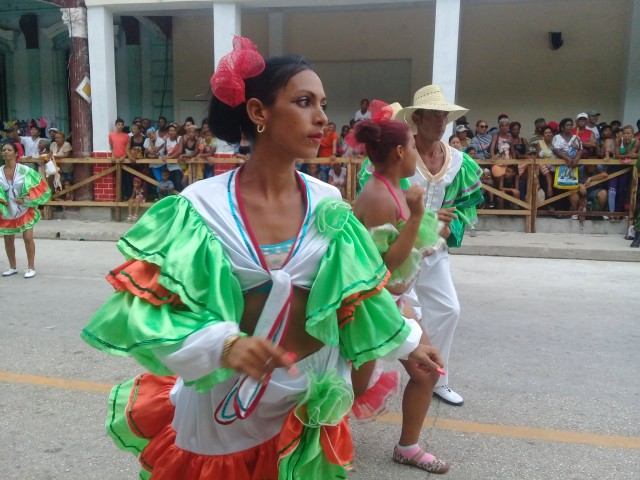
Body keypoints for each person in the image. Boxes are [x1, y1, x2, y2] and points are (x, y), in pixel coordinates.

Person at [81, 36, 443, 480]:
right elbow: (151, 318)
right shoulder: (199, 208)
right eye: (304, 102)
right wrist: (226, 345)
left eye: (323, 104)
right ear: (258, 112)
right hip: (223, 405)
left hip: (305, 394)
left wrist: (409, 341)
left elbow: (359, 294)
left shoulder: (328, 202)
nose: (322, 117)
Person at [351, 104, 449, 474]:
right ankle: (320, 443)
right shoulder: (376, 196)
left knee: (426, 371)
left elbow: (403, 250)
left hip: (393, 301)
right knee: (351, 388)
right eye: (411, 145)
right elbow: (384, 267)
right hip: (368, 305)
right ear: (398, 152)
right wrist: (420, 218)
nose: (415, 154)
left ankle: (407, 446)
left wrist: (429, 221)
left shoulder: (396, 188)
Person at [393, 85, 483, 406]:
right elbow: (382, 198)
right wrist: (426, 218)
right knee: (398, 310)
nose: (441, 122)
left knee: (449, 309)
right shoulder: (401, 155)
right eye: (434, 116)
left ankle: (436, 377)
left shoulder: (457, 160)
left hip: (434, 251)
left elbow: (463, 206)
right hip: (401, 249)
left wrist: (448, 226)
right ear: (417, 118)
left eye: (444, 116)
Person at [0, 141, 51, 278]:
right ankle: (12, 266)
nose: (6, 152)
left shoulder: (25, 170)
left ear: (16, 153)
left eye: (9, 150)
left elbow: (41, 188)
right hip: (7, 211)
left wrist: (26, 199)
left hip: (25, 209)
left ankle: (31, 267)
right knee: (8, 239)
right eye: (3, 150)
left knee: (28, 238)